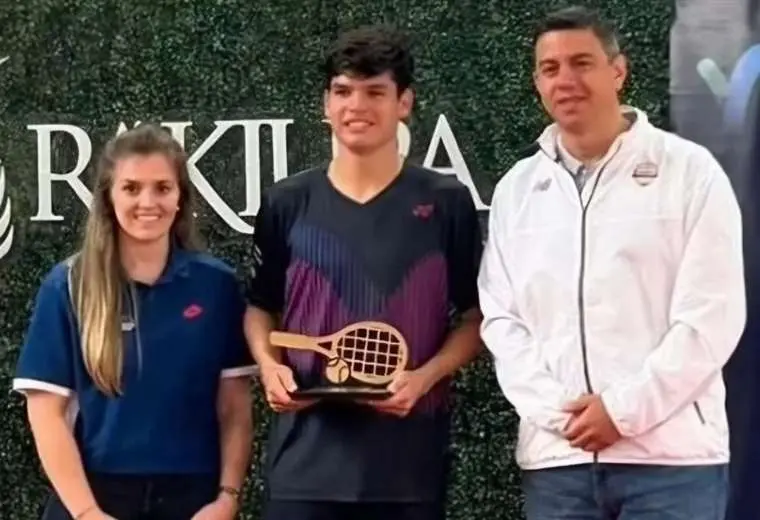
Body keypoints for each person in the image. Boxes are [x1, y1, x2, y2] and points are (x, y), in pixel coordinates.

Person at [478, 5, 746, 520]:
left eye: (582, 62)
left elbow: (712, 316)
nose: (566, 80)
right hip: (558, 466)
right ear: (537, 81)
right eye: (550, 69)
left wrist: (622, 411)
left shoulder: (689, 173)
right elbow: (502, 319)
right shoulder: (517, 189)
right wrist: (563, 416)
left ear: (617, 71)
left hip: (672, 466)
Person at [244, 25, 483, 520]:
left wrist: (424, 378)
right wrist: (270, 368)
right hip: (302, 469)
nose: (357, 106)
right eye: (343, 91)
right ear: (326, 105)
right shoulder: (287, 202)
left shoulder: (446, 203)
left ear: (404, 103)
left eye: (375, 92)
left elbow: (476, 318)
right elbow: (260, 308)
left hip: (409, 470)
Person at [12, 124, 256, 520]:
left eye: (162, 187)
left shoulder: (216, 285)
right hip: (93, 495)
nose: (148, 201)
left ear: (181, 197)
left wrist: (227, 498)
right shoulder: (68, 285)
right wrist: (88, 512)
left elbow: (234, 407)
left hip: (193, 498)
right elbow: (47, 414)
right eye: (131, 188)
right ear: (108, 197)